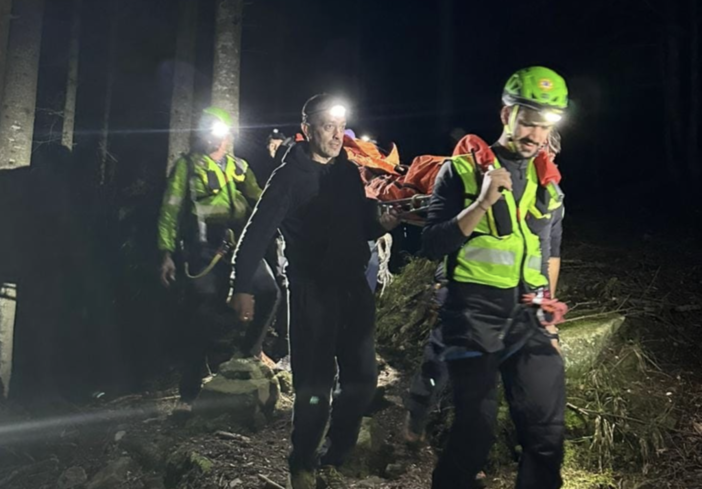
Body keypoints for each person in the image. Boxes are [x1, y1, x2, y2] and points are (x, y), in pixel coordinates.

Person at [229, 94, 399, 489]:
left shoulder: (346, 172)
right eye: (327, 126)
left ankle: (335, 452)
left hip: (353, 290)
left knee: (362, 379)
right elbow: (256, 234)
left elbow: (362, 225)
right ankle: (302, 461)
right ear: (307, 129)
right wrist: (242, 287)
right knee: (314, 387)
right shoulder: (288, 176)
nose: (337, 135)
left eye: (341, 127)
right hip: (311, 293)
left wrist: (383, 223)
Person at [424, 67, 569, 489]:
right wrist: (483, 202)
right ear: (506, 113)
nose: (536, 135)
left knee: (546, 436)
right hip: (473, 318)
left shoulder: (549, 183)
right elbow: (432, 244)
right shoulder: (460, 171)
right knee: (475, 434)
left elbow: (548, 253)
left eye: (545, 126)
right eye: (528, 121)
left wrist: (550, 319)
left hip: (529, 320)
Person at [405, 129, 565, 444]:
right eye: (538, 146)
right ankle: (418, 414)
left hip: (521, 302)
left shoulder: (551, 197)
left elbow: (551, 257)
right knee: (440, 356)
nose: (541, 156)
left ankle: (475, 445)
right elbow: (436, 241)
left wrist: (547, 312)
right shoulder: (479, 177)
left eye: (549, 151)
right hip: (466, 293)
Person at [157, 107, 279, 409]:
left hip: (237, 248)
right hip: (203, 251)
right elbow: (170, 210)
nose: (213, 137)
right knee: (202, 316)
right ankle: (189, 393)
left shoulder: (238, 166)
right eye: (208, 130)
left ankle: (248, 353)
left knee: (270, 292)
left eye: (218, 130)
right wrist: (166, 253)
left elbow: (261, 196)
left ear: (228, 133)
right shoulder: (187, 166)